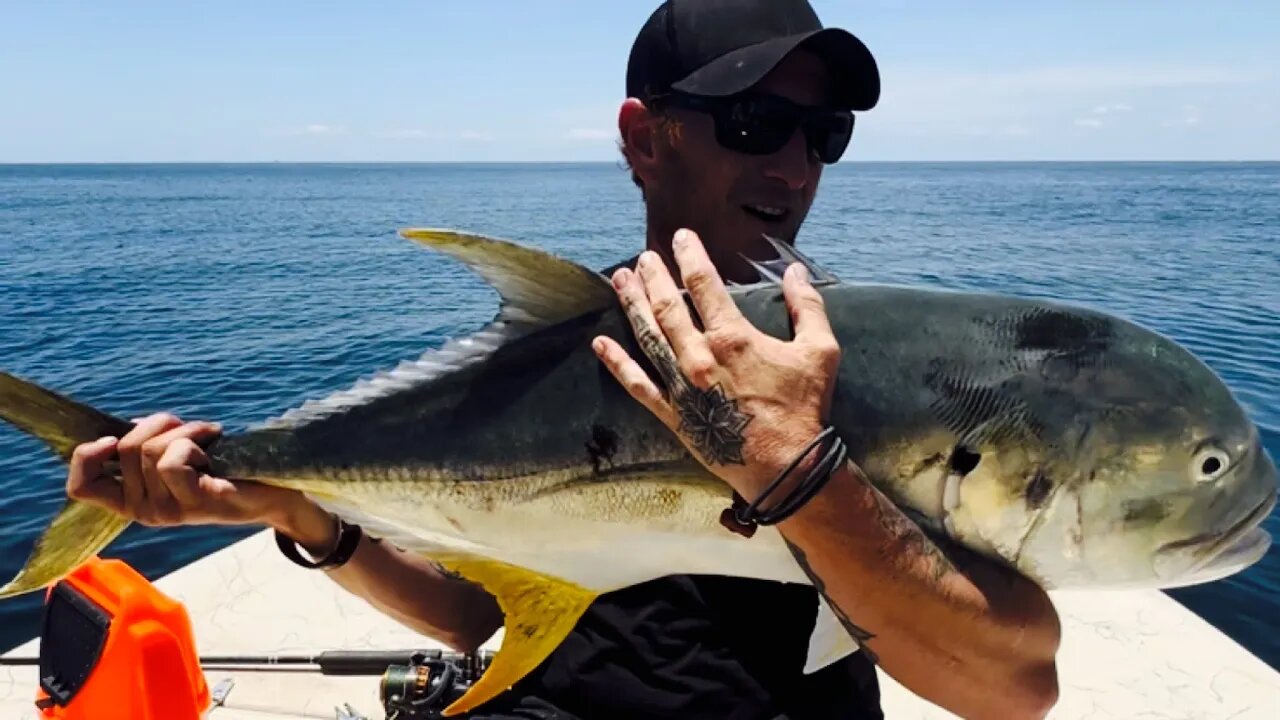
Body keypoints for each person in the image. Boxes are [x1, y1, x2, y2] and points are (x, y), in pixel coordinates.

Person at [64, 1, 1062, 718]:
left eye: (822, 134)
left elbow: (1010, 688)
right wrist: (290, 507)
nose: (792, 166)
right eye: (753, 123)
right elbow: (468, 613)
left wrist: (798, 472)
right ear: (645, 139)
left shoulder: (847, 363)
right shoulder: (549, 353)